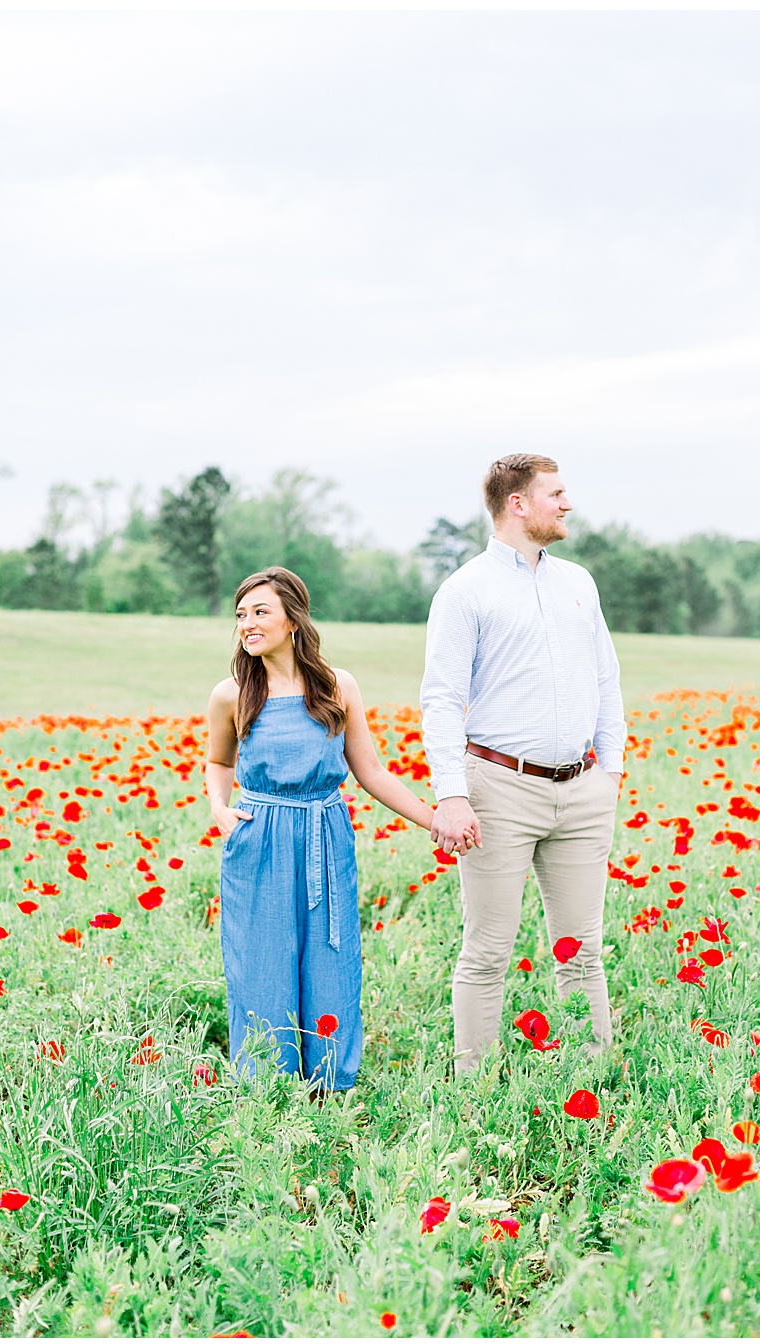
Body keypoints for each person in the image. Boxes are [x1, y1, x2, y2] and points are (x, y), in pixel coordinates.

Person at [421, 454, 625, 1072]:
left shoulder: (578, 584)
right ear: (518, 504)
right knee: (487, 949)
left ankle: (590, 1075)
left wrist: (610, 770)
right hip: (498, 788)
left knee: (582, 950)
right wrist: (451, 794)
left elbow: (606, 679)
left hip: (581, 788)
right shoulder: (465, 591)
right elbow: (440, 698)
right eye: (556, 494)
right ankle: (474, 1083)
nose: (567, 504)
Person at [205, 566, 438, 1092]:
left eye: (260, 612)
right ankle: (268, 1090)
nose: (247, 624)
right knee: (262, 967)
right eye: (241, 615)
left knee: (330, 965)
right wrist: (221, 809)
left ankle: (332, 1085)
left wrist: (434, 818)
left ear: (293, 619)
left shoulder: (336, 685)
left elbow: (371, 772)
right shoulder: (232, 693)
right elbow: (218, 763)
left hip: (324, 834)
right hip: (259, 837)